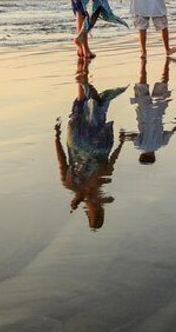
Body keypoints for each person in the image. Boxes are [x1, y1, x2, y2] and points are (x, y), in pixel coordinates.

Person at [54, 60, 128, 230]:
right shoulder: (71, 185)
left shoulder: (96, 186)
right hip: (77, 140)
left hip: (95, 144)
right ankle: (82, 66)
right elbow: (61, 160)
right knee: (80, 105)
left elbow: (111, 164)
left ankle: (86, 77)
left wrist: (122, 143)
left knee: (96, 110)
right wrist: (56, 137)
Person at [120, 57, 176, 165]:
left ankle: (166, 63)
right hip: (144, 112)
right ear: (142, 155)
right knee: (142, 82)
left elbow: (172, 131)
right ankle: (143, 61)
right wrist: (124, 137)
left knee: (163, 83)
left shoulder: (161, 144)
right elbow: (133, 137)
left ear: (153, 156)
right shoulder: (140, 146)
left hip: (158, 111)